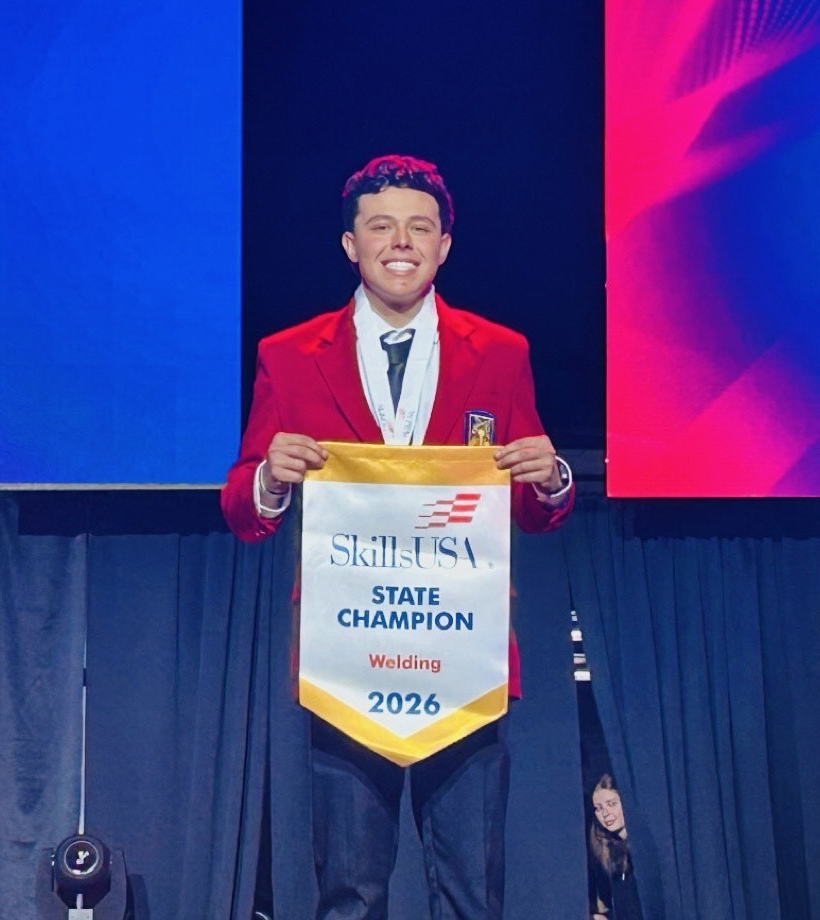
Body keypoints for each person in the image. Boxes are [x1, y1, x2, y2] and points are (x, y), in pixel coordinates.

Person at [222, 154, 574, 920]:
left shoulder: (503, 352)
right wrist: (270, 477)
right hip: (349, 657)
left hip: (464, 657)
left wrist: (551, 477)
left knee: (472, 894)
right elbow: (242, 509)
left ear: (445, 244)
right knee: (349, 894)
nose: (401, 242)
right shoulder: (286, 356)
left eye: (420, 227)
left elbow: (535, 507)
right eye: (381, 226)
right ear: (351, 244)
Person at [588, 775, 644, 920]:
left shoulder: (644, 848)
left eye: (611, 804)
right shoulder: (604, 850)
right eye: (599, 808)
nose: (605, 814)